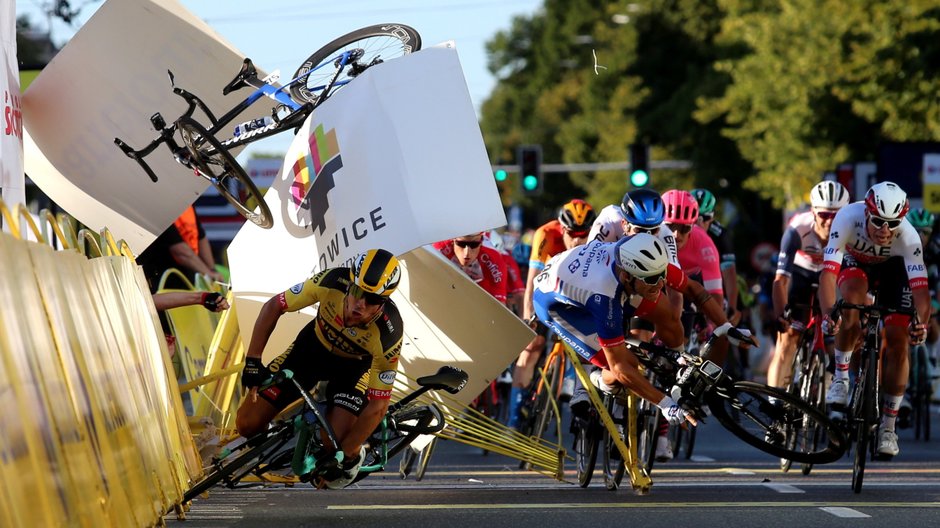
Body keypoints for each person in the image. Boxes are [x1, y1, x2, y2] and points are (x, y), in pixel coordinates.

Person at [236, 249, 403, 488]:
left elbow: (378, 405)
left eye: (373, 300)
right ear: (350, 284)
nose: (360, 304)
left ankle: (349, 445)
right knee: (247, 424)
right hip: (310, 350)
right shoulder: (331, 281)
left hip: (353, 369)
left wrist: (345, 455)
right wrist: (252, 360)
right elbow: (275, 305)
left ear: (383, 303)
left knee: (333, 445)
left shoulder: (389, 333)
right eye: (357, 292)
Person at [531, 233, 697, 427]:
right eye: (652, 279)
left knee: (666, 314)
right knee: (624, 368)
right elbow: (620, 367)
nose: (660, 284)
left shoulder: (634, 254)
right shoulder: (604, 297)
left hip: (587, 275)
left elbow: (690, 291)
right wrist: (666, 404)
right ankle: (599, 379)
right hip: (557, 305)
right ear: (627, 276)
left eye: (662, 276)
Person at [820, 182, 930, 458]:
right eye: (878, 221)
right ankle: (842, 378)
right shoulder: (846, 218)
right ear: (867, 213)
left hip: (894, 272)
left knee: (898, 339)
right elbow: (828, 274)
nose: (884, 230)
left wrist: (922, 323)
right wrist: (827, 312)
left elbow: (919, 288)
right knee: (851, 305)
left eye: (892, 224)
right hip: (856, 264)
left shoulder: (908, 236)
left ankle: (888, 428)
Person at [765, 181, 849, 397]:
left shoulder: (852, 231)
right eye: (824, 215)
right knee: (787, 339)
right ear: (813, 211)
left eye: (836, 215)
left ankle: (830, 378)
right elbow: (781, 280)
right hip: (801, 273)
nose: (830, 221)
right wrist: (781, 313)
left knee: (847, 329)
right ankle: (774, 408)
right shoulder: (797, 229)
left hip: (832, 275)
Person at [514, 200, 596, 397]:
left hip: (576, 292)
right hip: (547, 288)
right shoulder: (546, 234)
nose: (577, 241)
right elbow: (532, 280)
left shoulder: (598, 238)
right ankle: (513, 420)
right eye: (571, 234)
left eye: (583, 235)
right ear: (562, 228)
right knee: (531, 347)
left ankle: (576, 387)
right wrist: (528, 318)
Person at [138, 205, 225, 292]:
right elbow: (179, 251)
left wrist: (212, 271)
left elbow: (201, 236)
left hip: (189, 281)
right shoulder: (159, 207)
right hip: (166, 284)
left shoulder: (188, 203)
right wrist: (208, 273)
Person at [691, 188, 740, 325]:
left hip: (714, 279)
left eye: (704, 218)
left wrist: (732, 307)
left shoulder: (720, 235)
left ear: (711, 218)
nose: (698, 224)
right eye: (694, 218)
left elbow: (729, 275)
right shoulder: (678, 229)